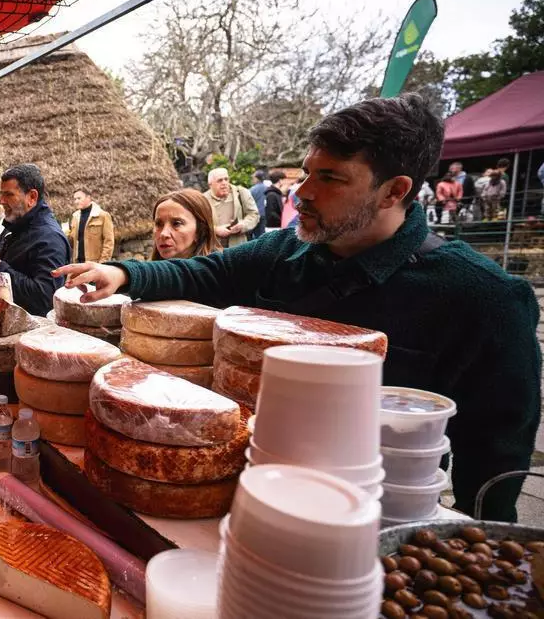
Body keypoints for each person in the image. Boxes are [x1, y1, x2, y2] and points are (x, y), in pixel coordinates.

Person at [56, 93, 540, 523]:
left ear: (394, 191)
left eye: (330, 178)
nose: (302, 191)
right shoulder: (284, 250)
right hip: (250, 488)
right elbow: (208, 272)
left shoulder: (484, 298)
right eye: (307, 172)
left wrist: (477, 545)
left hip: (370, 518)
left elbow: (497, 454)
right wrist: (124, 273)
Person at [0, 163, 70, 316]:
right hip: (8, 320)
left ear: (32, 197)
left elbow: (45, 297)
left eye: (9, 195)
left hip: (31, 328)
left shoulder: (50, 238)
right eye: (1, 194)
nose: (1, 201)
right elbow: (4, 246)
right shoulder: (18, 222)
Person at [150, 189, 221, 260]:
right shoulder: (148, 267)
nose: (163, 234)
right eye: (158, 224)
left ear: (200, 231)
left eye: (176, 223)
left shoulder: (221, 265)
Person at [203, 167, 260, 248]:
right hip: (214, 248)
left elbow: (254, 214)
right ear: (210, 184)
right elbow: (198, 224)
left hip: (238, 246)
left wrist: (243, 225)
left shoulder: (241, 193)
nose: (224, 183)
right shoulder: (203, 199)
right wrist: (215, 230)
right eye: (220, 180)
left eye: (226, 179)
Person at [68, 188, 116, 263]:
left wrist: (103, 263)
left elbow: (109, 242)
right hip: (78, 263)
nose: (76, 201)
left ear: (88, 198)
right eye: (75, 199)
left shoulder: (103, 216)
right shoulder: (75, 217)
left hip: (95, 264)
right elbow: (72, 242)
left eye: (79, 198)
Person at [247, 169, 270, 240]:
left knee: (250, 236)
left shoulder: (252, 190)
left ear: (257, 179)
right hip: (264, 214)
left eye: (253, 178)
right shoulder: (268, 188)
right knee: (262, 235)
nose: (252, 180)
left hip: (255, 215)